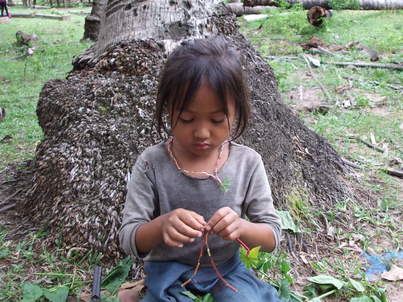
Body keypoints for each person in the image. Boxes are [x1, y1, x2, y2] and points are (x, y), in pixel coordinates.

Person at [119, 37, 282, 302]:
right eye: (187, 118)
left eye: (217, 120)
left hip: (227, 272)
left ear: (237, 111)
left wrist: (240, 227)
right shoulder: (152, 163)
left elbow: (272, 236)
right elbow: (128, 238)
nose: (202, 133)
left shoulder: (247, 163)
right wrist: (161, 226)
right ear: (168, 109)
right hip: (168, 272)